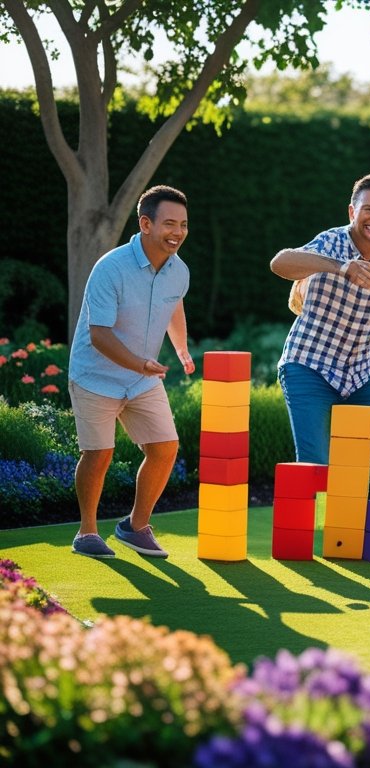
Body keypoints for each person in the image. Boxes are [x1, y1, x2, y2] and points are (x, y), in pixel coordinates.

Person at [271, 174, 370, 503]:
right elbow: (280, 262)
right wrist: (342, 267)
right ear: (351, 211)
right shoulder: (330, 243)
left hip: (360, 371)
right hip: (307, 363)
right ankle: (297, 545)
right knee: (314, 466)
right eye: (369, 209)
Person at [68, 185, 195, 559]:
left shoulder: (178, 270)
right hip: (95, 376)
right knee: (99, 454)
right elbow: (99, 335)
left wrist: (182, 347)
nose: (178, 232)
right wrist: (141, 363)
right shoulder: (110, 268)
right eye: (169, 223)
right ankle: (87, 532)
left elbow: (174, 306)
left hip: (141, 378)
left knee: (165, 448)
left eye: (184, 224)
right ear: (145, 223)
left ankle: (134, 527)